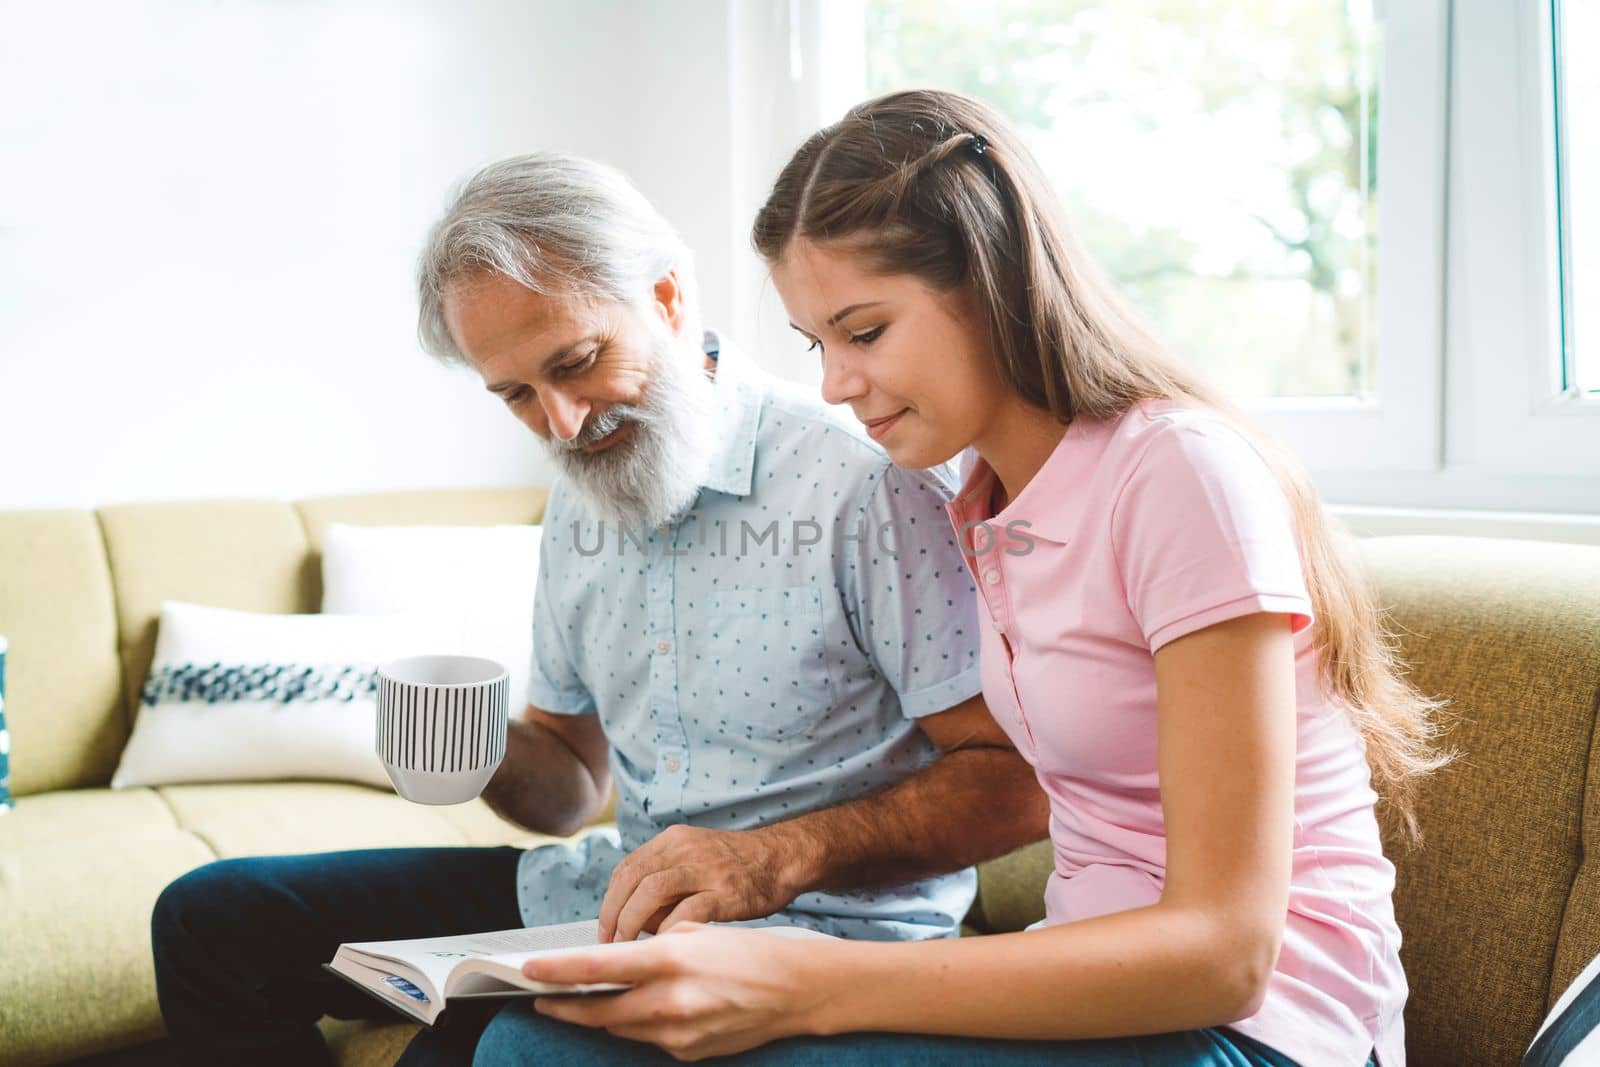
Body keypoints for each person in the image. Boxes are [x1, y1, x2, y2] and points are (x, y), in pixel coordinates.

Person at [476, 91, 1448, 1066]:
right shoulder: (983, 501)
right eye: (818, 343)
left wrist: (805, 985)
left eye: (864, 331)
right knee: (539, 1038)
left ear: (990, 283)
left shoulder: (1178, 472)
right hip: (1091, 999)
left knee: (544, 1053)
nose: (833, 383)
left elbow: (1224, 953)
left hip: (1254, 1031)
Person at [146, 151, 1048, 1067]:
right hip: (615, 898)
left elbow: (1016, 777)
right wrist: (474, 745)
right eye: (516, 396)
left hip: (819, 935)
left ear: (665, 298)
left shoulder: (862, 480)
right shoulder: (584, 497)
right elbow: (573, 781)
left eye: (578, 363)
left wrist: (771, 857)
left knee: (471, 1055)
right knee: (210, 919)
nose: (564, 422)